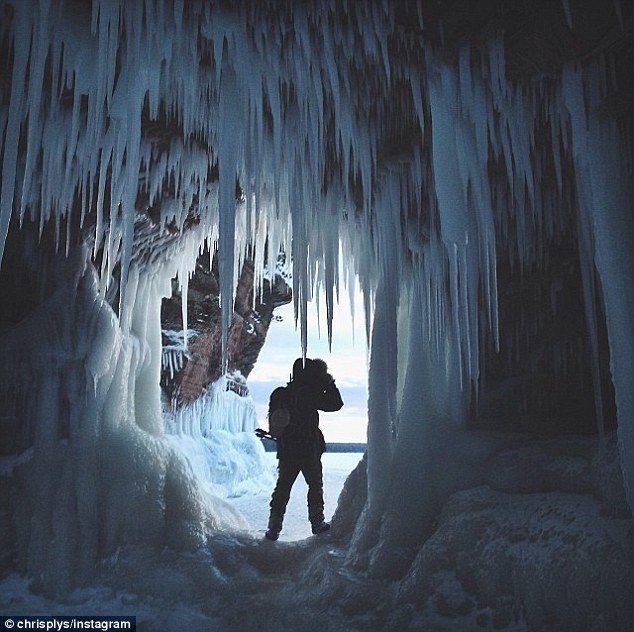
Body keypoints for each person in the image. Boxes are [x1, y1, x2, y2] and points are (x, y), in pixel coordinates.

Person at [265, 357, 344, 541]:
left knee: (282, 488)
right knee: (315, 486)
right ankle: (317, 522)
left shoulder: (280, 394)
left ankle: (274, 527)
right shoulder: (310, 394)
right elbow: (335, 404)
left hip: (287, 450)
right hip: (308, 449)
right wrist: (329, 382)